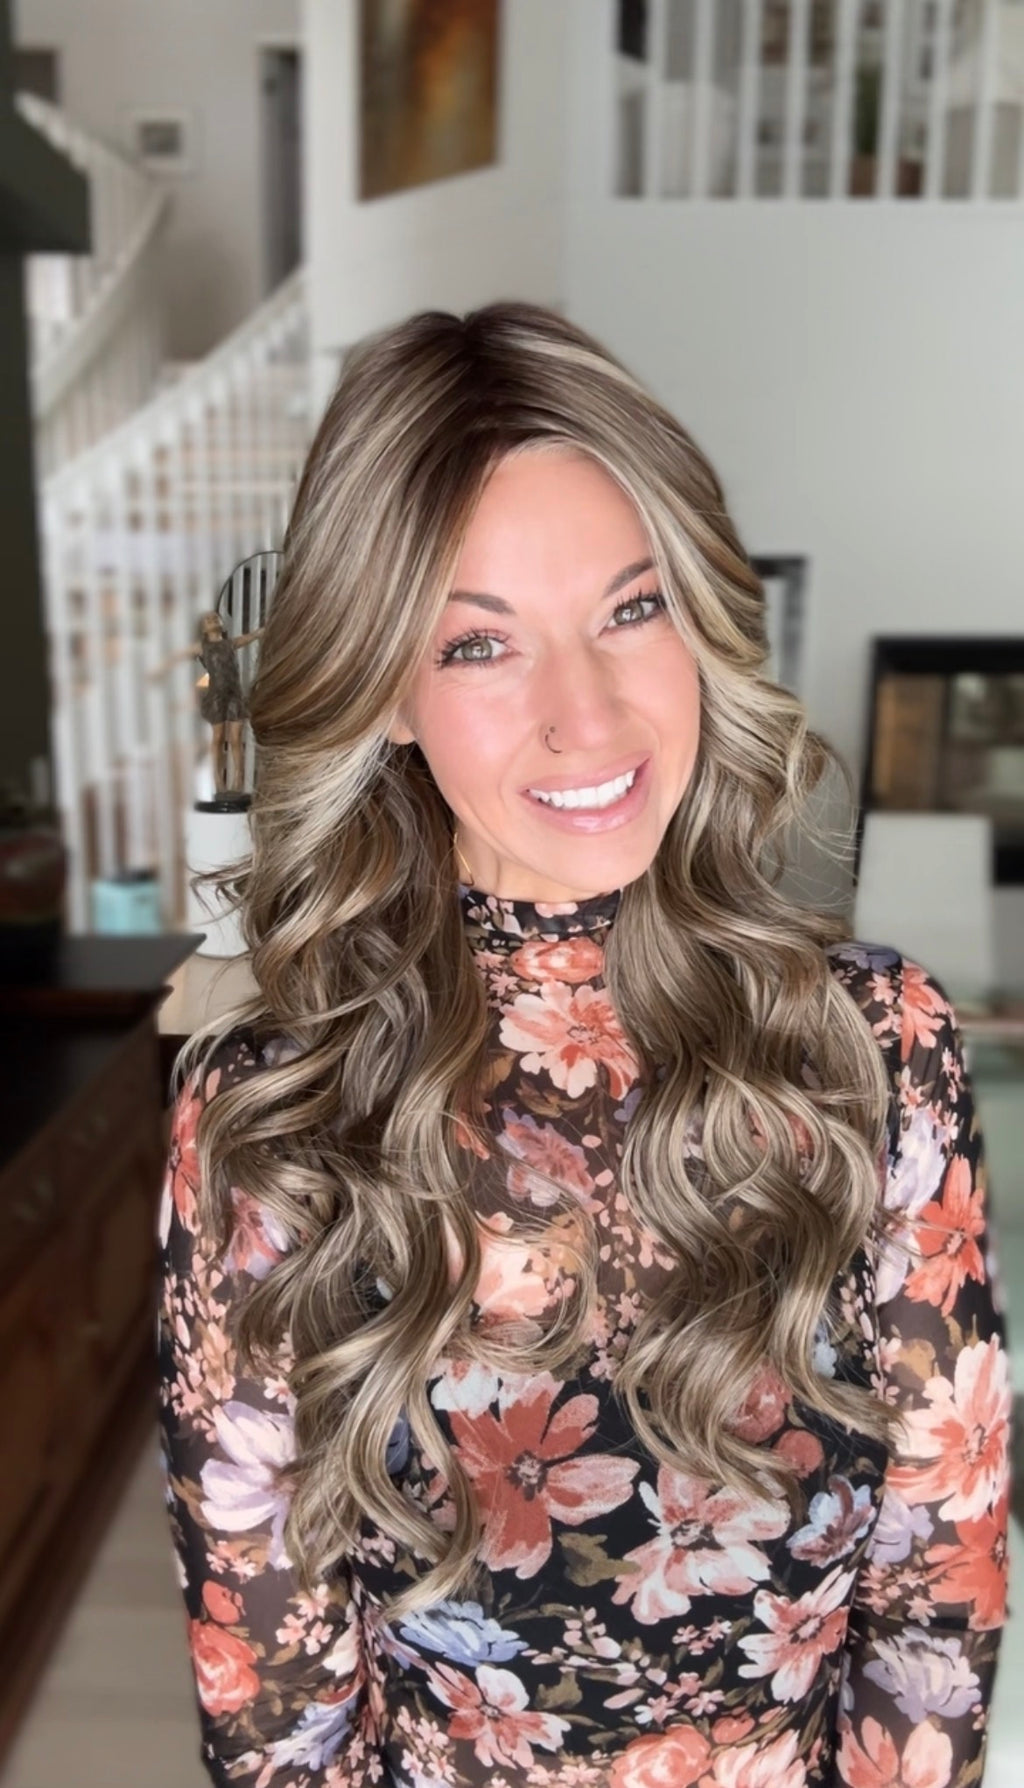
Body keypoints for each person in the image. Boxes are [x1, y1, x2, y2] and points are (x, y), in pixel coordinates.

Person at [158, 303, 1010, 1788]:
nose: (587, 714)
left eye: (632, 609)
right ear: (385, 693)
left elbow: (939, 1593)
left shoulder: (877, 1048)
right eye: (481, 643)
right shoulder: (267, 1120)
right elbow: (273, 1703)